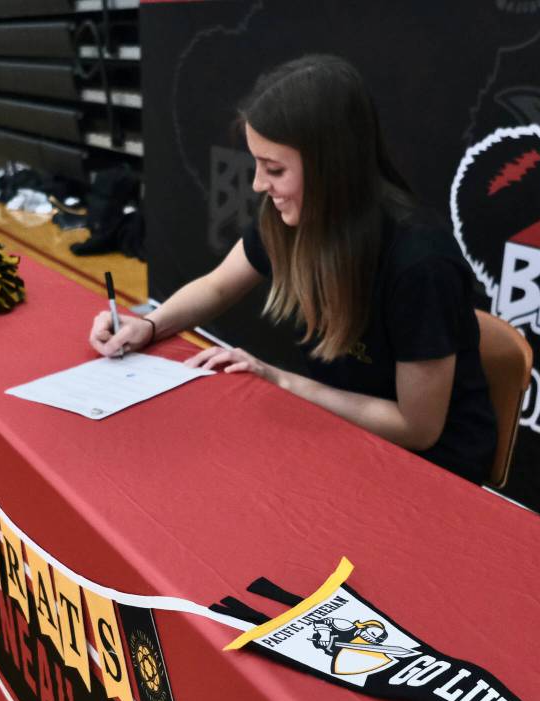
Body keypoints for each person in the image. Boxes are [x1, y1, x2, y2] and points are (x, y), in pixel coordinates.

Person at [89, 55, 496, 483]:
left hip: (432, 472)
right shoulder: (293, 219)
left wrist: (282, 382)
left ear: (331, 168)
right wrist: (149, 326)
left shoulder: (421, 263)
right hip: (343, 432)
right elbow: (218, 287)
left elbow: (417, 428)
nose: (258, 184)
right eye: (258, 165)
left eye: (275, 170)